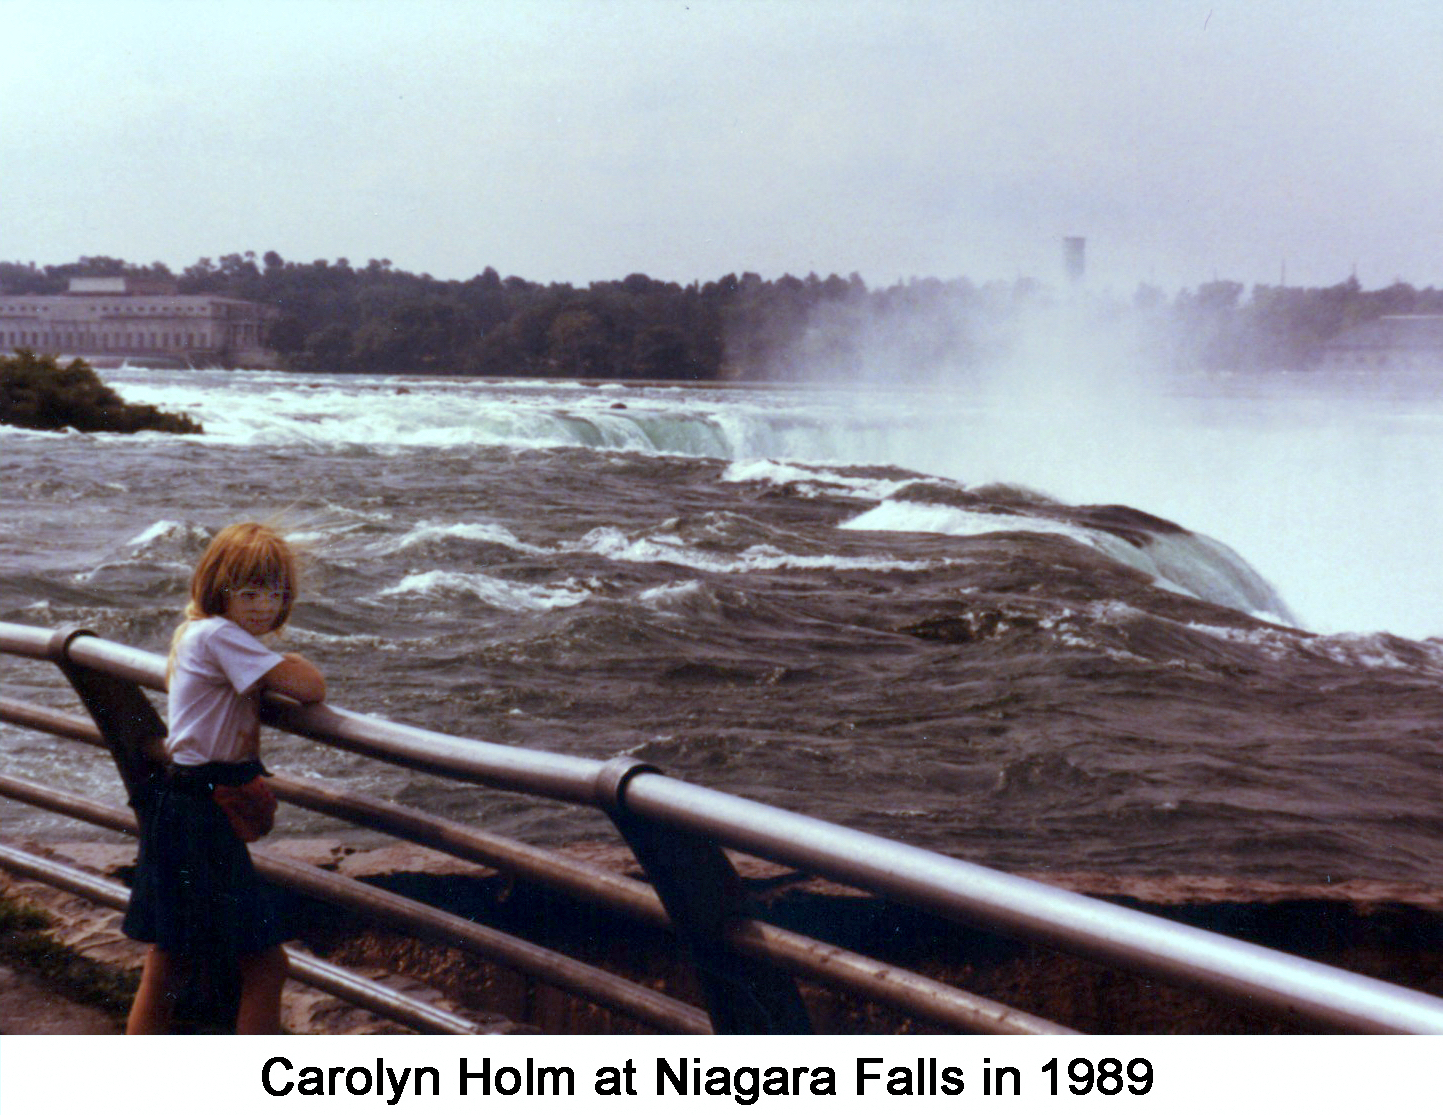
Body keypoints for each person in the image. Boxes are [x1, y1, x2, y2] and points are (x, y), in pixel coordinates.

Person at [122, 522, 326, 1034]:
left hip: (180, 804)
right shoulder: (222, 637)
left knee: (168, 958)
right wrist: (290, 659)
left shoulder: (196, 632)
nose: (263, 605)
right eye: (249, 592)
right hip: (202, 817)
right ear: (219, 590)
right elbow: (309, 688)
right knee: (265, 965)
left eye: (275, 594)